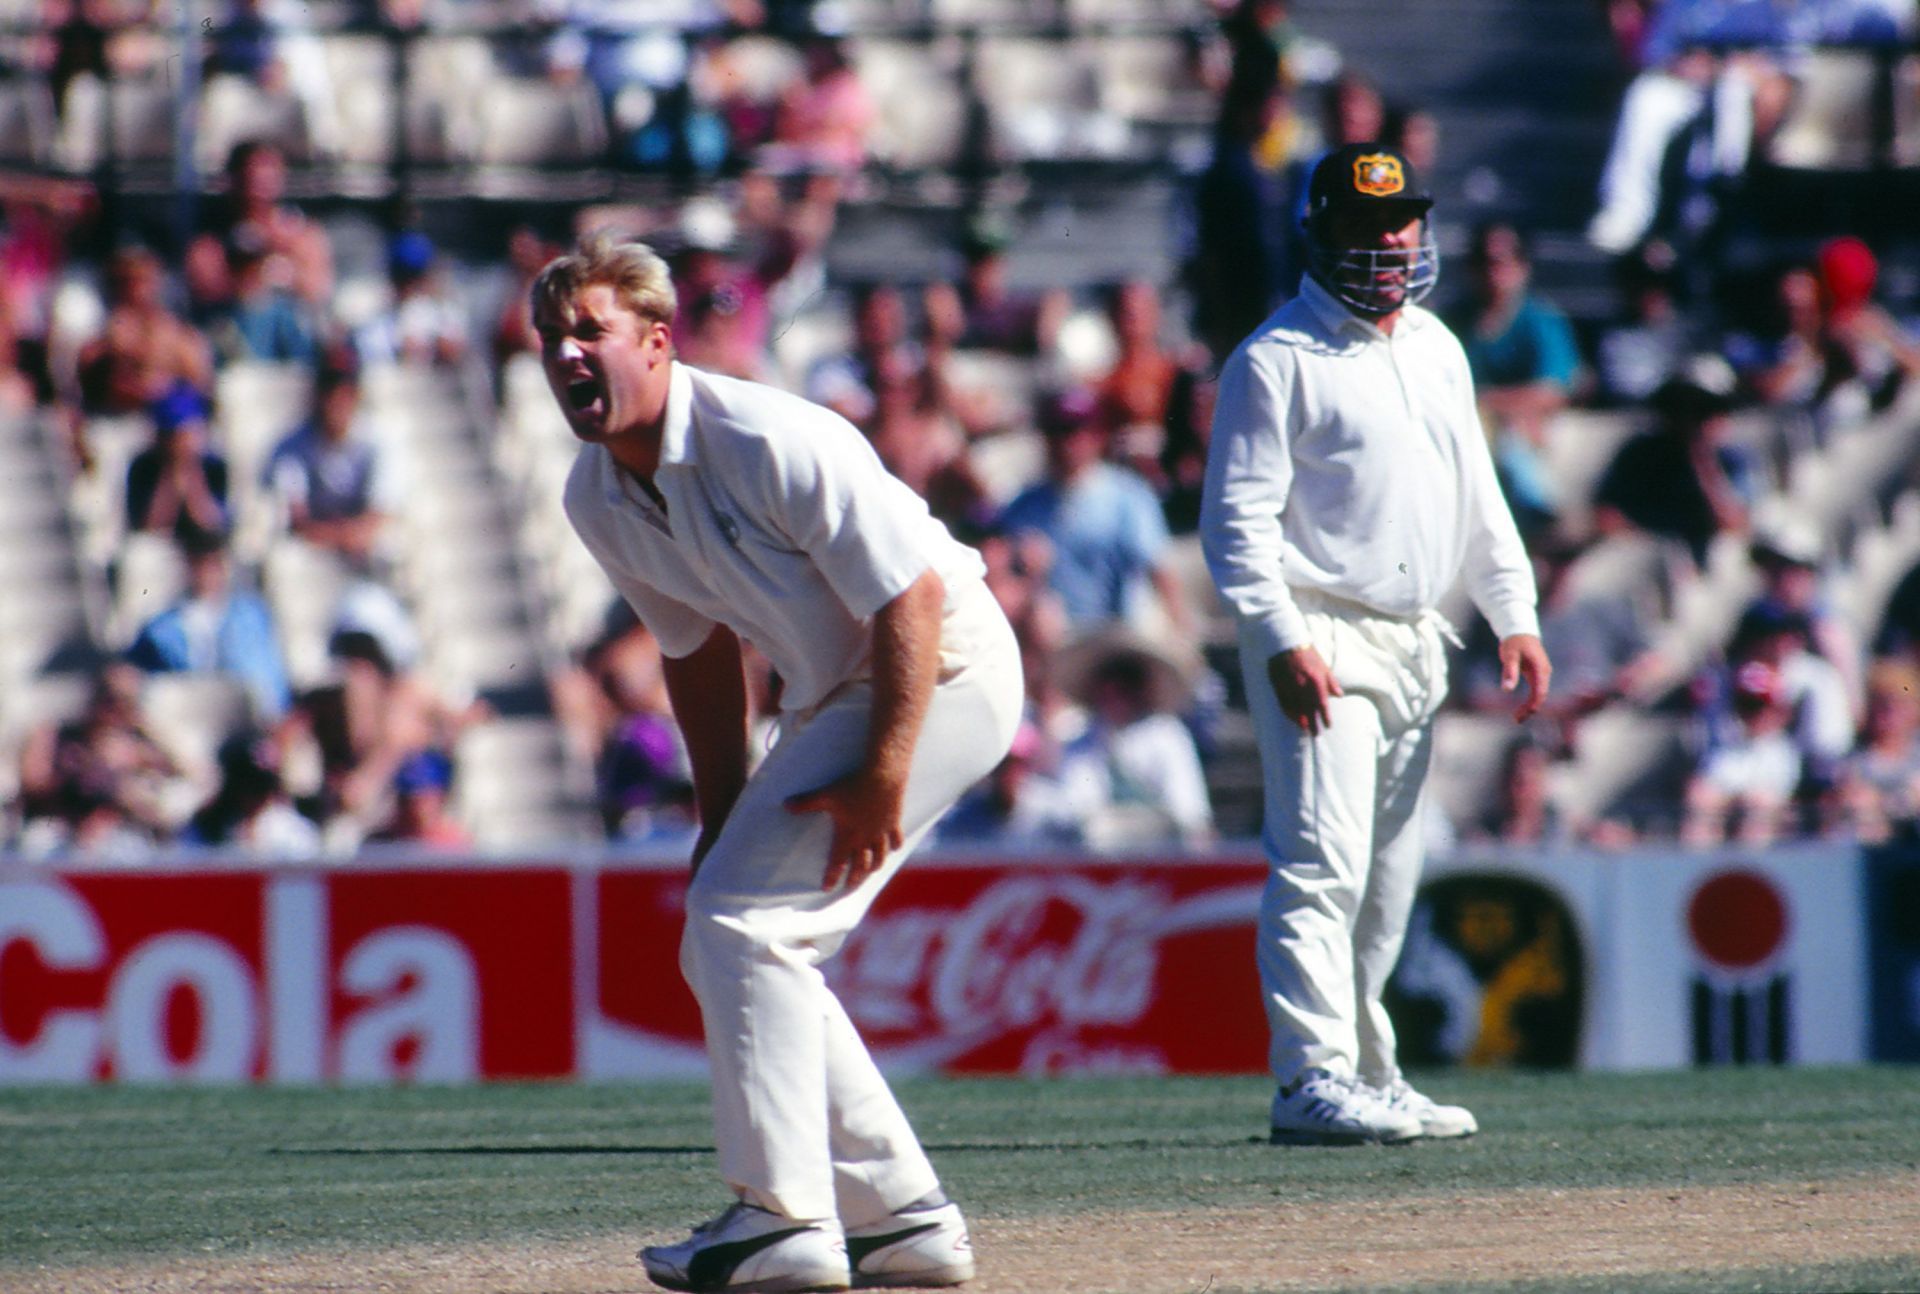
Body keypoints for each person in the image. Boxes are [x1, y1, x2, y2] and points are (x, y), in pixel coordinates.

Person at [534, 233, 1021, 1292]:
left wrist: (884, 775)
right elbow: (697, 652)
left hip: (946, 670)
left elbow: (915, 598)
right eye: (549, 337)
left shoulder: (766, 434)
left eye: (589, 332)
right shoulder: (596, 495)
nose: (565, 354)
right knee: (731, 934)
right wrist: (721, 816)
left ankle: (784, 1218)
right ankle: (901, 1218)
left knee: (746, 926)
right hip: (845, 692)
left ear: (657, 343)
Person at [1199, 143, 1550, 1146]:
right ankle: (1308, 1077)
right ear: (1322, 232)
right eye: (1366, 226)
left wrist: (1514, 613)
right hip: (1320, 634)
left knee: (1390, 879)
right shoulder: (1276, 360)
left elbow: (1477, 499)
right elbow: (1236, 526)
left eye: (1402, 222)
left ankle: (1366, 1068)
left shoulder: (1437, 344)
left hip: (1415, 639)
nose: (1391, 243)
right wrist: (1278, 638)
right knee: (1322, 862)